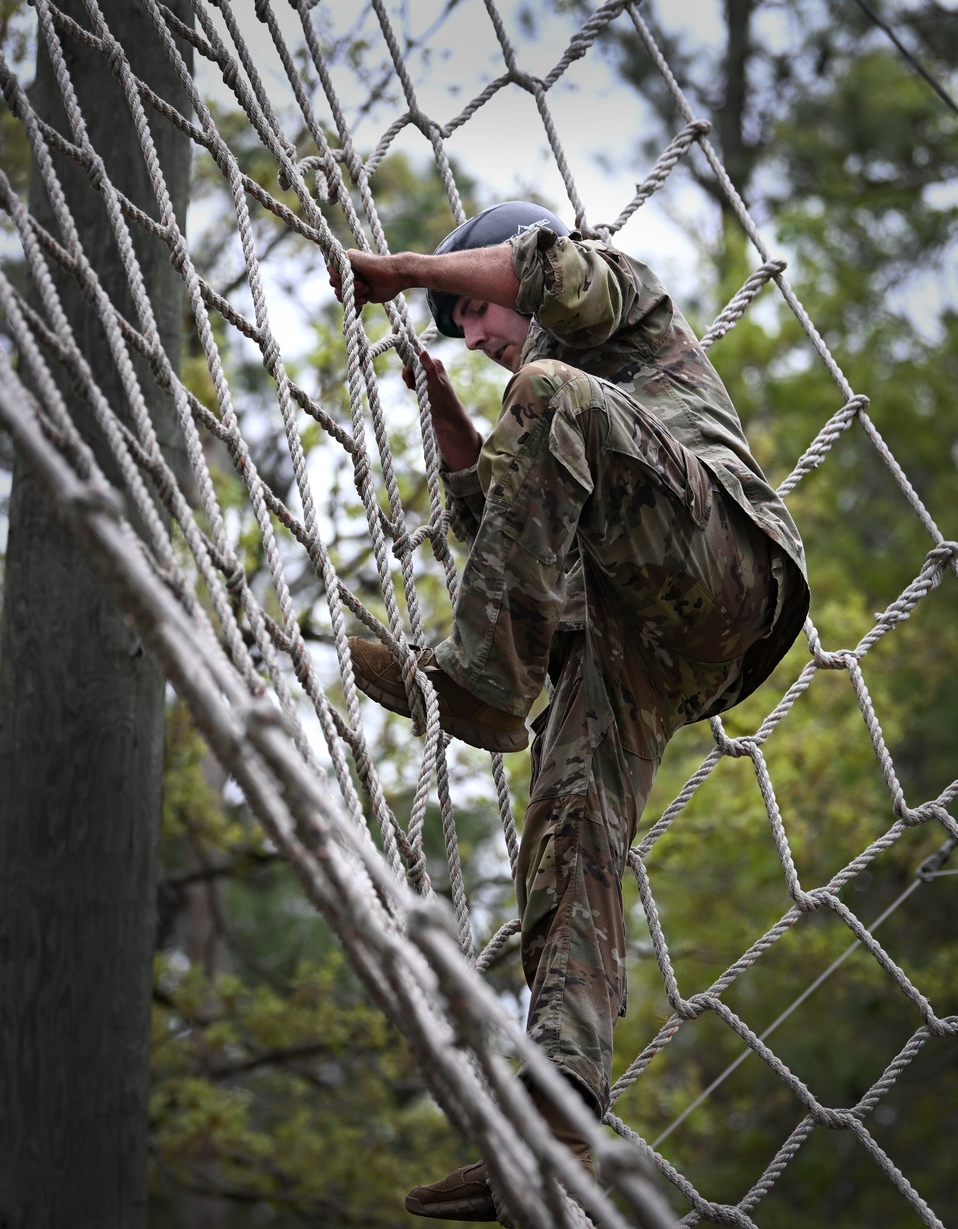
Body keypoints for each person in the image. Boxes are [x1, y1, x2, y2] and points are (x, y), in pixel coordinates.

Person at [328, 202, 809, 1222]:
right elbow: (499, 537)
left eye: (471, 310)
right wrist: (453, 428)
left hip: (726, 563)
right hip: (652, 640)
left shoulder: (613, 303)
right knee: (570, 833)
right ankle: (555, 1124)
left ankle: (486, 684)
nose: (473, 335)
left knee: (548, 390)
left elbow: (549, 280)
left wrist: (406, 270)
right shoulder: (538, 419)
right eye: (457, 323)